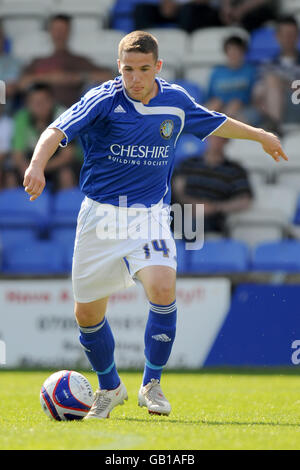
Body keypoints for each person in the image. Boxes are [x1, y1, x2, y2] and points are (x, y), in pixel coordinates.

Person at [23, 30, 287, 420]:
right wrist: (36, 164)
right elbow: (56, 130)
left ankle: (152, 383)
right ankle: (110, 387)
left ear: (157, 67)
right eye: (128, 69)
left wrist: (260, 135)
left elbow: (216, 123)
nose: (135, 77)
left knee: (163, 287)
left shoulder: (175, 102)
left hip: (149, 215)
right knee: (87, 316)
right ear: (119, 67)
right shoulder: (102, 99)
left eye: (144, 69)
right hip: (100, 217)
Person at [19, 15, 113, 108]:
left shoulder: (78, 61)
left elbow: (108, 77)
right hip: (39, 113)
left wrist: (77, 77)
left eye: (63, 30)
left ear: (69, 32)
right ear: (49, 32)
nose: (59, 34)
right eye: (56, 30)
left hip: (70, 114)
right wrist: (51, 78)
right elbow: (21, 84)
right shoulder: (38, 61)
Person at [172, 135, 253, 237]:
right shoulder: (188, 163)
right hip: (183, 211)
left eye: (220, 138)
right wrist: (193, 204)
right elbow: (178, 191)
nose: (215, 141)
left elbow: (244, 200)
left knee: (193, 225)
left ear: (227, 141)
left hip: (213, 218)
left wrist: (215, 207)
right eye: (213, 137)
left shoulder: (235, 170)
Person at [11, 82, 79, 189]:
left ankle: (66, 205)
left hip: (57, 164)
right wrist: (30, 169)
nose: (39, 106)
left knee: (66, 175)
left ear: (52, 101)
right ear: (27, 104)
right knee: (10, 176)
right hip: (31, 164)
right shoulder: (21, 117)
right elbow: (17, 154)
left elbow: (67, 155)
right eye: (34, 102)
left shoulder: (64, 115)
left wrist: (39, 168)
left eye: (43, 101)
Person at [255, 15, 300, 132]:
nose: (289, 38)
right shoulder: (267, 63)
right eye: (285, 35)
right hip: (268, 106)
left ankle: (274, 126)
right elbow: (257, 93)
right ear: (277, 36)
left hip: (296, 105)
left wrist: (281, 83)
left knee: (271, 79)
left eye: (292, 34)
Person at [205, 35, 260, 126]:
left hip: (243, 110)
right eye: (230, 50)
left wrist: (240, 102)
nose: (233, 54)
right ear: (226, 52)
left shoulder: (251, 71)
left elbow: (255, 97)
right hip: (220, 110)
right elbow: (209, 97)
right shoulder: (217, 72)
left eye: (237, 50)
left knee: (236, 113)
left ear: (243, 52)